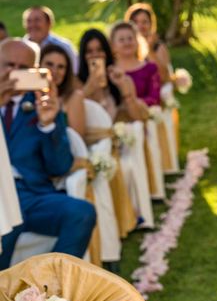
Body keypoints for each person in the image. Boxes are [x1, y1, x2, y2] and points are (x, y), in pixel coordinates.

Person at [0, 39, 96, 270]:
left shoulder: (43, 103)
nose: (14, 73)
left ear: (34, 71)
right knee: (5, 229)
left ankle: (48, 290)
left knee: (82, 212)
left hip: (32, 195)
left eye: (23, 68)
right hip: (1, 199)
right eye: (7, 65)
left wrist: (48, 125)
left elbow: (60, 166)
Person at [78, 29, 147, 122]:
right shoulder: (75, 82)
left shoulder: (120, 77)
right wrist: (88, 88)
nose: (95, 55)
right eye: (89, 51)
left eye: (99, 50)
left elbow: (137, 117)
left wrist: (122, 86)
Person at [111, 22, 161, 107]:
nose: (127, 43)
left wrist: (133, 103)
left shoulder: (150, 68)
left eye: (130, 38)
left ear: (137, 41)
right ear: (113, 45)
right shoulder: (110, 70)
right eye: (121, 40)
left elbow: (154, 99)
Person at [40, 44, 85, 137]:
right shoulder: (27, 95)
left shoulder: (74, 96)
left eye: (61, 67)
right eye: (49, 64)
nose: (54, 71)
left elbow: (78, 140)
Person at [124, 3, 173, 84]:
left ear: (151, 24)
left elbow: (164, 78)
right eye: (135, 22)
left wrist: (149, 50)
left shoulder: (158, 46)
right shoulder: (125, 48)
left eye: (144, 22)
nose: (140, 26)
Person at [22, 6, 79, 73]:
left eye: (37, 20)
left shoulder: (64, 46)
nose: (32, 25)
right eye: (29, 21)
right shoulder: (19, 48)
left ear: (49, 23)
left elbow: (75, 72)